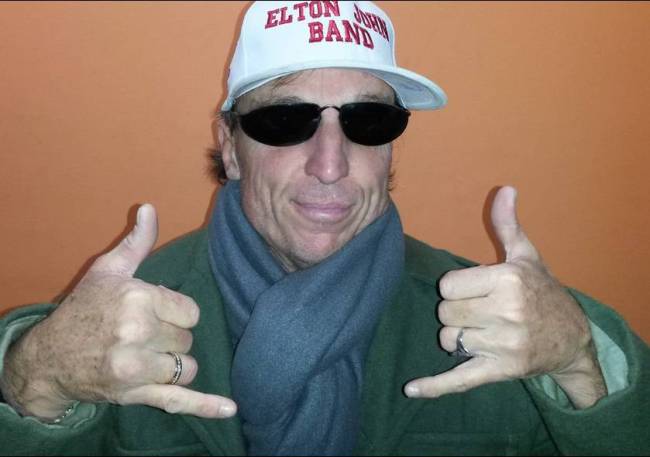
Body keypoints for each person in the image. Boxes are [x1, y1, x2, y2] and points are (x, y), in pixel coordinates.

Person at [0, 1, 647, 455]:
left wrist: (583, 361)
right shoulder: (113, 326)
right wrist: (35, 373)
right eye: (285, 121)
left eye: (368, 121)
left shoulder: (502, 328)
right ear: (229, 147)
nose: (331, 164)